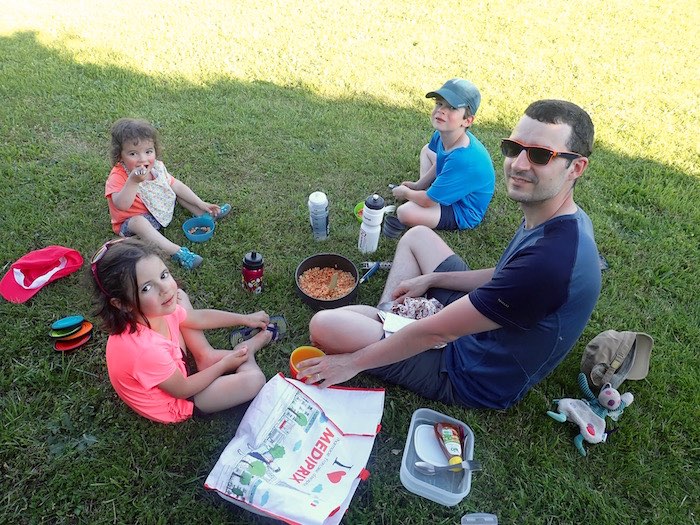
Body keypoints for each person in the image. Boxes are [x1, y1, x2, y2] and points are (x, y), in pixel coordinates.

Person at [302, 99, 601, 410]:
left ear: (575, 167)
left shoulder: (550, 263)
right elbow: (504, 274)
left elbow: (438, 331)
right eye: (514, 148)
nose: (520, 164)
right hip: (480, 326)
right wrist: (433, 278)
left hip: (469, 372)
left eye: (541, 155)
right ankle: (388, 319)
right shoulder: (560, 218)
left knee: (324, 326)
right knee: (418, 236)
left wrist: (352, 363)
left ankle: (386, 324)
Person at [90, 238, 278, 424]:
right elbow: (183, 389)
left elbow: (198, 318)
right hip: (176, 400)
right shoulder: (145, 350)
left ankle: (206, 356)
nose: (165, 289)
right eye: (147, 288)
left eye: (163, 275)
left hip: (170, 361)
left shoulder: (155, 310)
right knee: (255, 380)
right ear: (122, 304)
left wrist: (245, 318)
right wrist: (224, 364)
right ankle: (245, 350)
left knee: (180, 299)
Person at [105, 118, 232, 270]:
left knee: (171, 190)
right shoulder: (118, 176)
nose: (143, 159)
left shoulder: (156, 168)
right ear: (120, 156)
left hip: (157, 207)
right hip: (133, 223)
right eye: (133, 153)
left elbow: (175, 185)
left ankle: (205, 213)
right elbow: (121, 205)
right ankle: (178, 252)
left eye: (148, 151)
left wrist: (200, 202)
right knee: (138, 222)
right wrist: (133, 181)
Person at [391, 78, 495, 231]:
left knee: (405, 212)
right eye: (439, 103)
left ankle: (432, 194)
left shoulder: (463, 159)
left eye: (452, 107)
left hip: (461, 209)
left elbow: (428, 202)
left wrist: (406, 192)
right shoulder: (441, 135)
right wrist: (418, 185)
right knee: (427, 150)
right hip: (453, 181)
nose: (441, 110)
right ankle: (431, 192)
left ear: (467, 120)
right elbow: (440, 161)